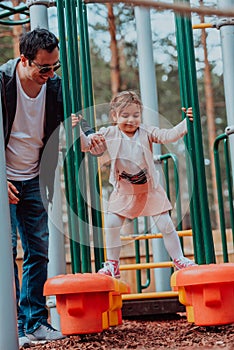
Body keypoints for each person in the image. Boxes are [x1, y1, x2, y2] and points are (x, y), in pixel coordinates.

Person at [1, 28, 105, 348]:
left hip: (33, 178)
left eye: (54, 66)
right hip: (4, 176)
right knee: (8, 252)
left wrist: (90, 138)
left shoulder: (54, 86)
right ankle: (12, 326)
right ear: (24, 60)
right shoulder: (3, 82)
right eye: (43, 68)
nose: (50, 74)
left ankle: (34, 322)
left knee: (38, 251)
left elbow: (74, 118)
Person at [81, 90, 196, 279]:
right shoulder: (109, 133)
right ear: (114, 116)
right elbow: (88, 145)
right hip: (124, 191)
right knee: (111, 223)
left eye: (136, 115)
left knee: (166, 225)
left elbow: (168, 135)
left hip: (149, 189)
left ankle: (179, 259)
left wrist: (187, 122)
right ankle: (112, 264)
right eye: (125, 115)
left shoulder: (146, 131)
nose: (131, 120)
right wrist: (80, 131)